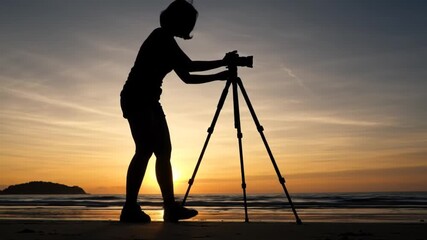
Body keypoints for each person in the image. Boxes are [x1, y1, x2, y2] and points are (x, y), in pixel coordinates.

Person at [120, 0, 237, 223]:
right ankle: (130, 208)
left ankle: (169, 207)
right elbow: (189, 66)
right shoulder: (161, 36)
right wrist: (222, 62)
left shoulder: (167, 41)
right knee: (144, 150)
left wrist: (219, 75)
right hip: (137, 97)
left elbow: (186, 77)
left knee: (164, 151)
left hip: (149, 99)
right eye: (189, 22)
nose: (191, 27)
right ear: (179, 20)